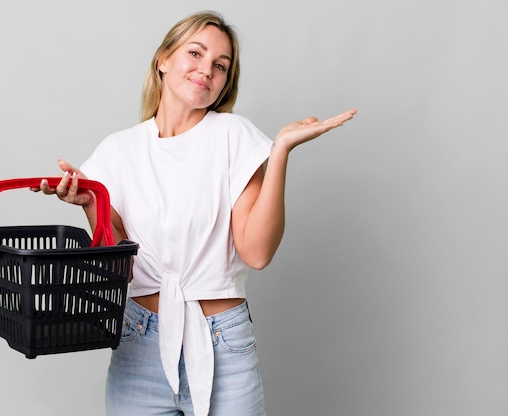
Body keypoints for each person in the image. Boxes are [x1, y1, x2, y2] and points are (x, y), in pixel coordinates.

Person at [37, 10, 356, 416]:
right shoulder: (119, 151)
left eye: (220, 66)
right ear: (163, 59)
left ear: (225, 82)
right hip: (139, 343)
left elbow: (256, 253)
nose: (206, 70)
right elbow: (121, 267)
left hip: (222, 345)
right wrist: (93, 205)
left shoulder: (233, 136)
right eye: (196, 53)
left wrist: (279, 153)